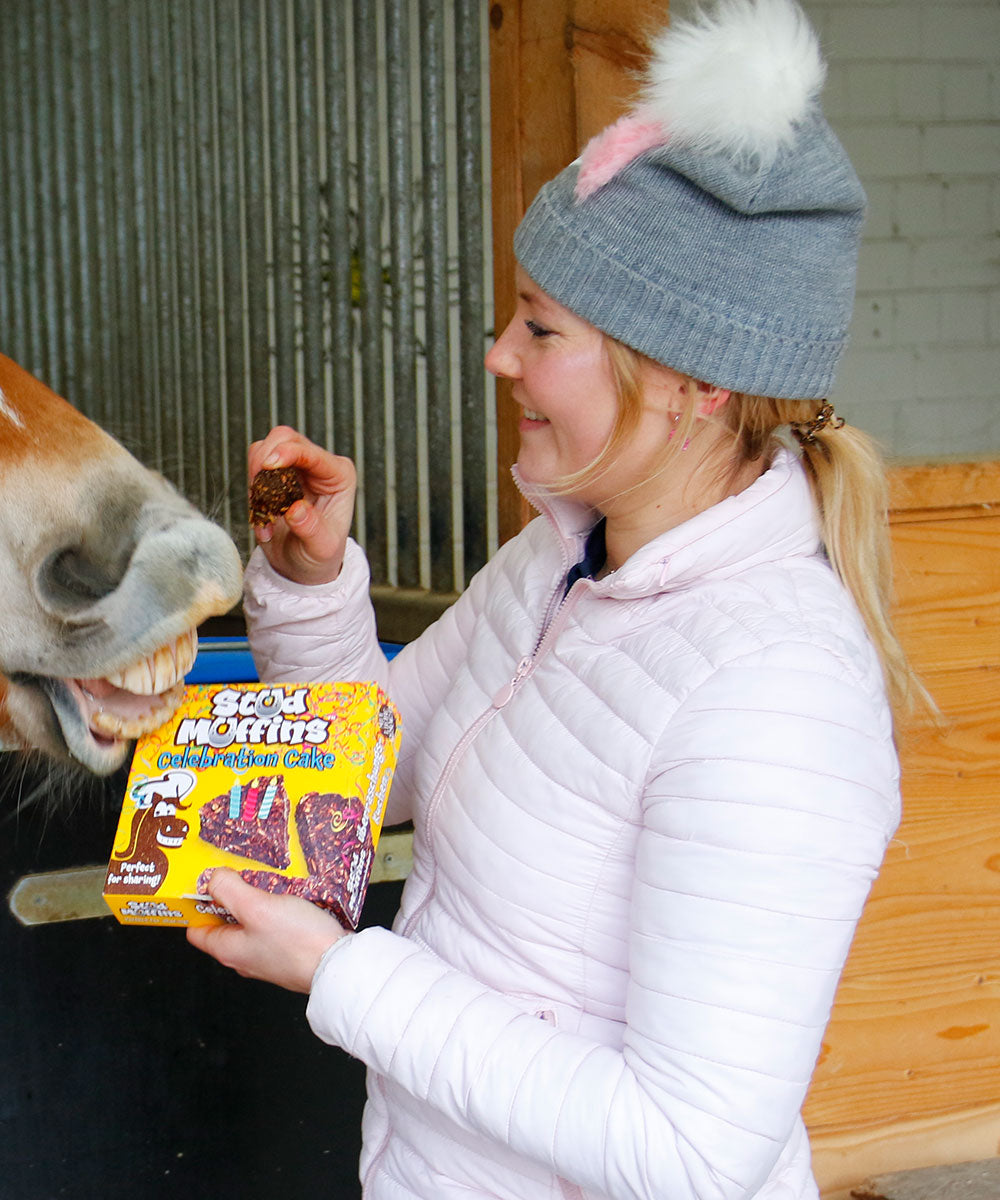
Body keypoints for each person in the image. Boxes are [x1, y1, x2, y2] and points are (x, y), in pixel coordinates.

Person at [187, 1, 924, 1197]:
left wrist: (342, 975)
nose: (497, 355)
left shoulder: (777, 695)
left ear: (689, 383)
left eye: (540, 328)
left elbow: (690, 1155)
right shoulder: (559, 562)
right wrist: (313, 583)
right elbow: (372, 770)